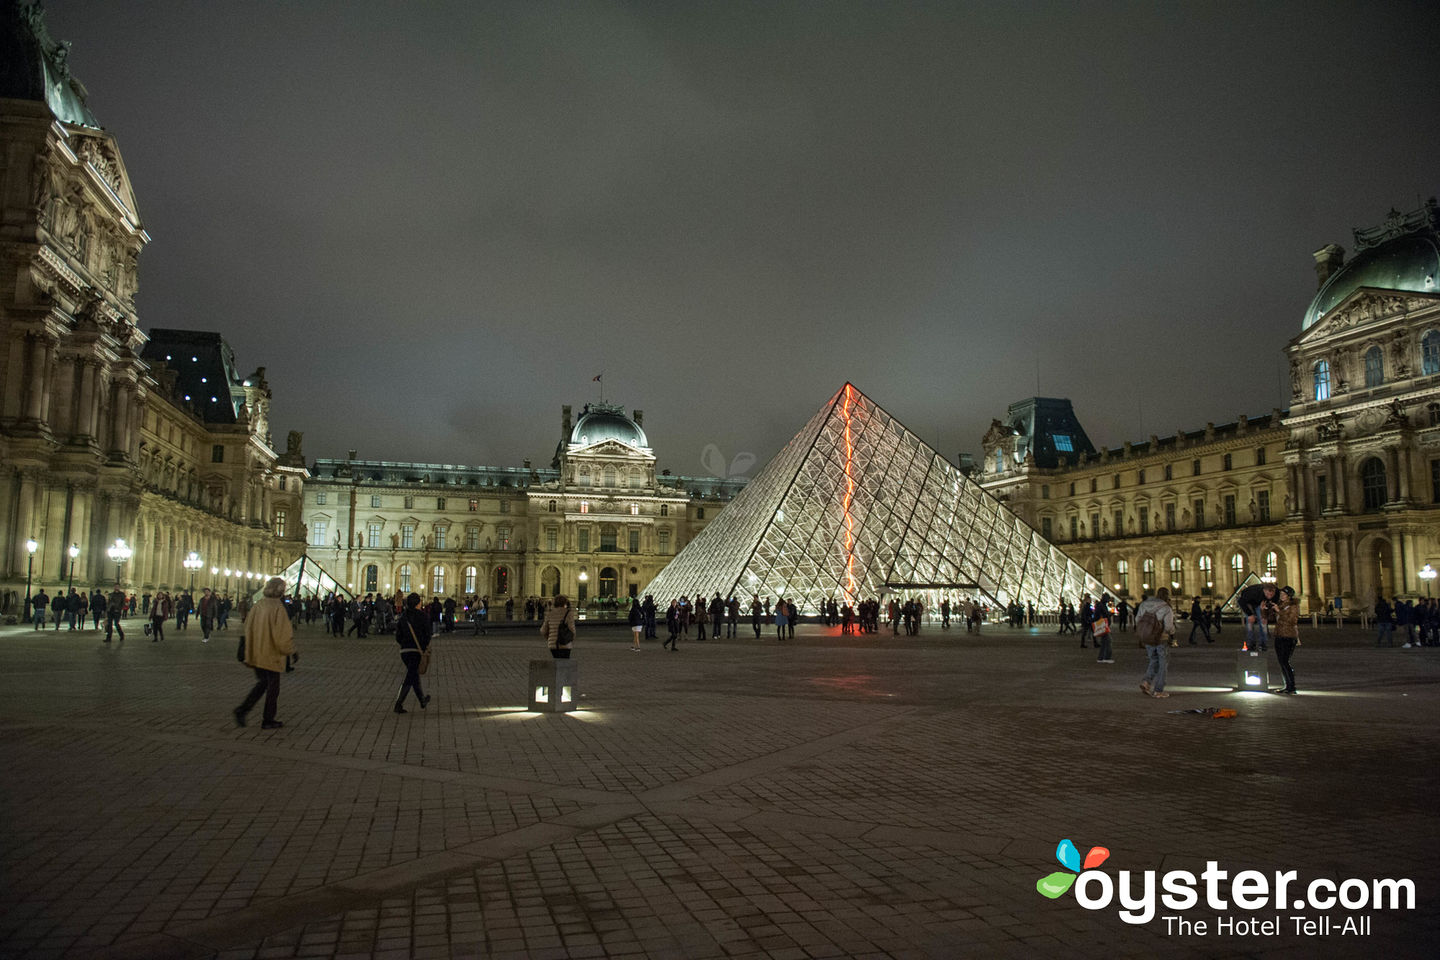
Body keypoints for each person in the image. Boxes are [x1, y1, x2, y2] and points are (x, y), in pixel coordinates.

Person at [234, 577, 296, 730]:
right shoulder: (277, 608)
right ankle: (268, 719)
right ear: (281, 590)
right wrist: (291, 651)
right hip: (271, 654)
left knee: (262, 683)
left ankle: (243, 709)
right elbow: (282, 635)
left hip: (257, 651)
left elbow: (246, 627)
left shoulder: (259, 605)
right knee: (273, 689)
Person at [393, 592, 432, 713]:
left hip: (404, 651)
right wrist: (423, 646)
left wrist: (404, 643)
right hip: (416, 650)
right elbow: (428, 634)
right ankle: (398, 704)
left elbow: (398, 635)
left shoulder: (403, 616)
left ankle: (422, 700)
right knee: (410, 677)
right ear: (417, 603)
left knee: (413, 675)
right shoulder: (423, 616)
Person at [1136, 587, 1177, 698]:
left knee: (1153, 660)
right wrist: (1173, 633)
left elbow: (1138, 619)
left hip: (1148, 637)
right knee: (1163, 663)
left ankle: (1146, 682)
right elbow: (1169, 627)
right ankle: (1158, 690)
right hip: (1161, 638)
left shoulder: (1144, 604)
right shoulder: (1166, 607)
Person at [1272, 586, 1301, 694]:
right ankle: (1287, 685)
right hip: (1279, 635)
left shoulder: (1293, 606)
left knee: (1285, 661)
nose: (1281, 596)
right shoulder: (1280, 605)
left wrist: (1279, 611)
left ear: (1289, 596)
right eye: (1280, 594)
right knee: (1282, 662)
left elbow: (1292, 620)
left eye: (1283, 594)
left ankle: (1291, 686)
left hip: (1289, 636)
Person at [1236, 582, 1277, 651]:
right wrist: (1250, 614)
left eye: (1271, 595)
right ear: (1264, 590)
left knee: (1263, 623)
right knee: (1250, 623)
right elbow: (1241, 601)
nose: (1269, 596)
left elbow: (1271, 607)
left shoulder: (1276, 595)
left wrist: (1265, 615)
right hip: (1248, 603)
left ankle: (1263, 644)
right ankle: (1250, 643)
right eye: (1267, 594)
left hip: (1260, 604)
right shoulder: (1252, 593)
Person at [541, 594, 576, 659]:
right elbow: (572, 630)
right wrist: (570, 640)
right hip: (565, 645)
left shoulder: (549, 613)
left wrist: (550, 639)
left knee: (556, 663)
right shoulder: (568, 613)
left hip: (553, 645)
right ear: (565, 602)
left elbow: (543, 631)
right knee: (565, 665)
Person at [1093, 593, 1114, 663]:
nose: (1108, 600)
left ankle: (1101, 658)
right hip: (1103, 625)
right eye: (1108, 599)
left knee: (1104, 642)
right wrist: (1110, 614)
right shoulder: (1101, 605)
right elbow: (1103, 614)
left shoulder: (1101, 605)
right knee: (1108, 641)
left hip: (1104, 625)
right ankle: (1106, 658)